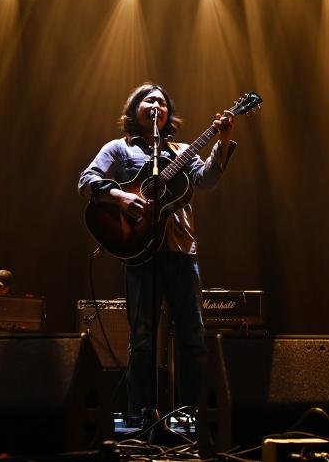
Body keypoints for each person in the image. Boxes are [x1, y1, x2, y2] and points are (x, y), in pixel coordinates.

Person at [78, 83, 235, 425]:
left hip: (181, 251)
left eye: (162, 103)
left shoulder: (182, 150)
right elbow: (86, 180)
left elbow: (206, 181)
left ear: (168, 114)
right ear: (134, 109)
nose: (156, 106)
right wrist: (121, 197)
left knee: (192, 336)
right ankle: (140, 417)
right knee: (143, 340)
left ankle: (193, 418)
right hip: (139, 253)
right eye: (149, 100)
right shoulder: (118, 148)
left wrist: (222, 140)